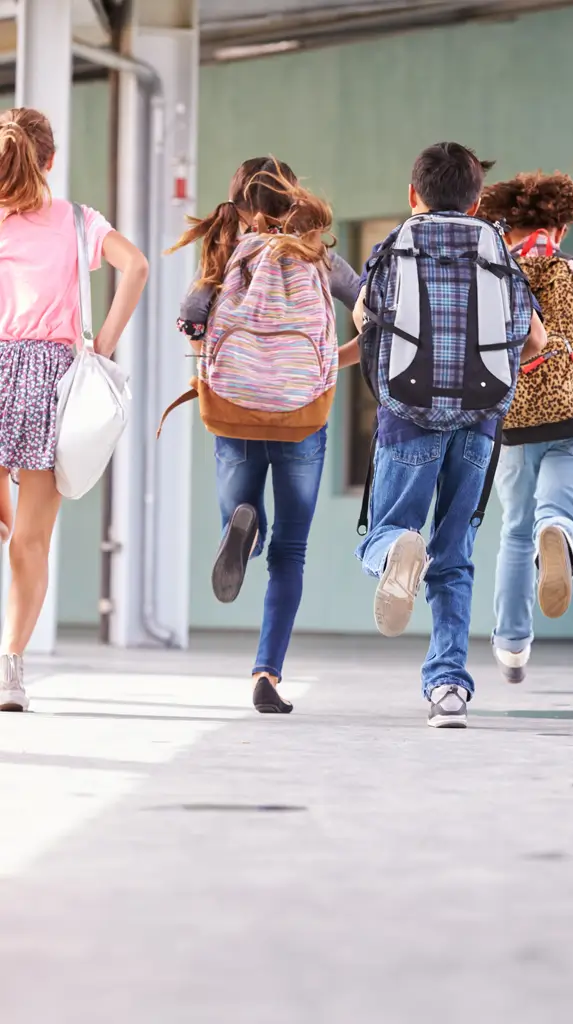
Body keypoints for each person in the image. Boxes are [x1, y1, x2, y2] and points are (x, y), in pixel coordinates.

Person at [351, 142, 547, 728]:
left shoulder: (395, 247)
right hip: (480, 419)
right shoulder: (497, 249)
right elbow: (533, 339)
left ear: (414, 196)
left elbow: (365, 319)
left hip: (407, 414)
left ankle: (394, 552)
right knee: (455, 553)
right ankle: (448, 691)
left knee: (384, 531)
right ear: (478, 198)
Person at [170, 157, 357, 714]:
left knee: (240, 515)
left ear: (240, 206)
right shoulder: (318, 255)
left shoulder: (224, 256)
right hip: (303, 412)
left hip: (236, 410)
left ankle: (242, 530)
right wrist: (331, 362)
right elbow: (374, 311)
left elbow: (192, 321)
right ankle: (268, 673)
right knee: (291, 552)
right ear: (293, 199)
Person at [0, 107, 148, 713]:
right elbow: (135, 265)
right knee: (30, 541)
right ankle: (10, 671)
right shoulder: (76, 220)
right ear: (51, 161)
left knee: (7, 526)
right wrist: (104, 343)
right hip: (48, 379)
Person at [476, 172, 573, 684]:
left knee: (513, 530)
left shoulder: (493, 276)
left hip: (511, 424)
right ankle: (559, 533)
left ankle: (511, 645)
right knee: (557, 511)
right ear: (563, 225)